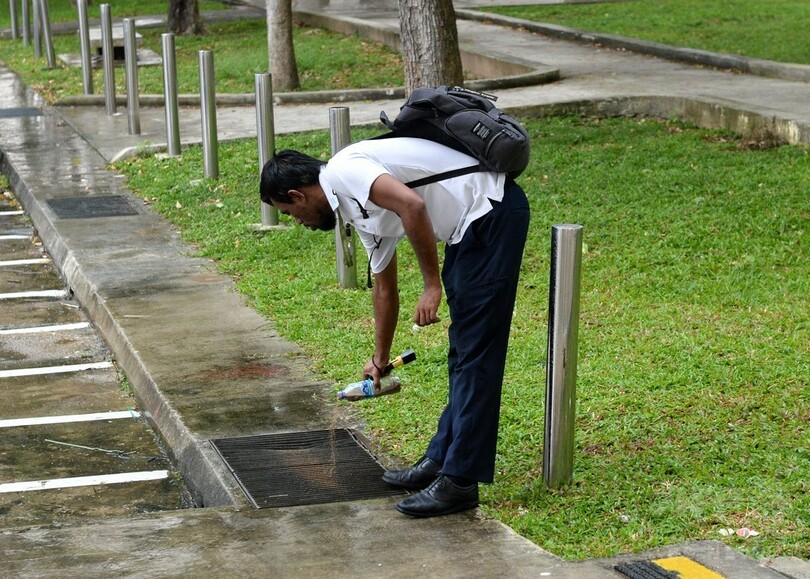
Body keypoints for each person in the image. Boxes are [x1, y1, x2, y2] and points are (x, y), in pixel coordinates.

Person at [260, 136, 529, 518]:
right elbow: (385, 288)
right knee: (465, 354)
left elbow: (412, 204)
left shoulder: (344, 170)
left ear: (297, 195)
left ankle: (461, 481)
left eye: (288, 213)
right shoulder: (354, 210)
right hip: (468, 231)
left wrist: (432, 284)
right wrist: (379, 358)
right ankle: (441, 459)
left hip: (491, 214)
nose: (298, 222)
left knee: (477, 356)